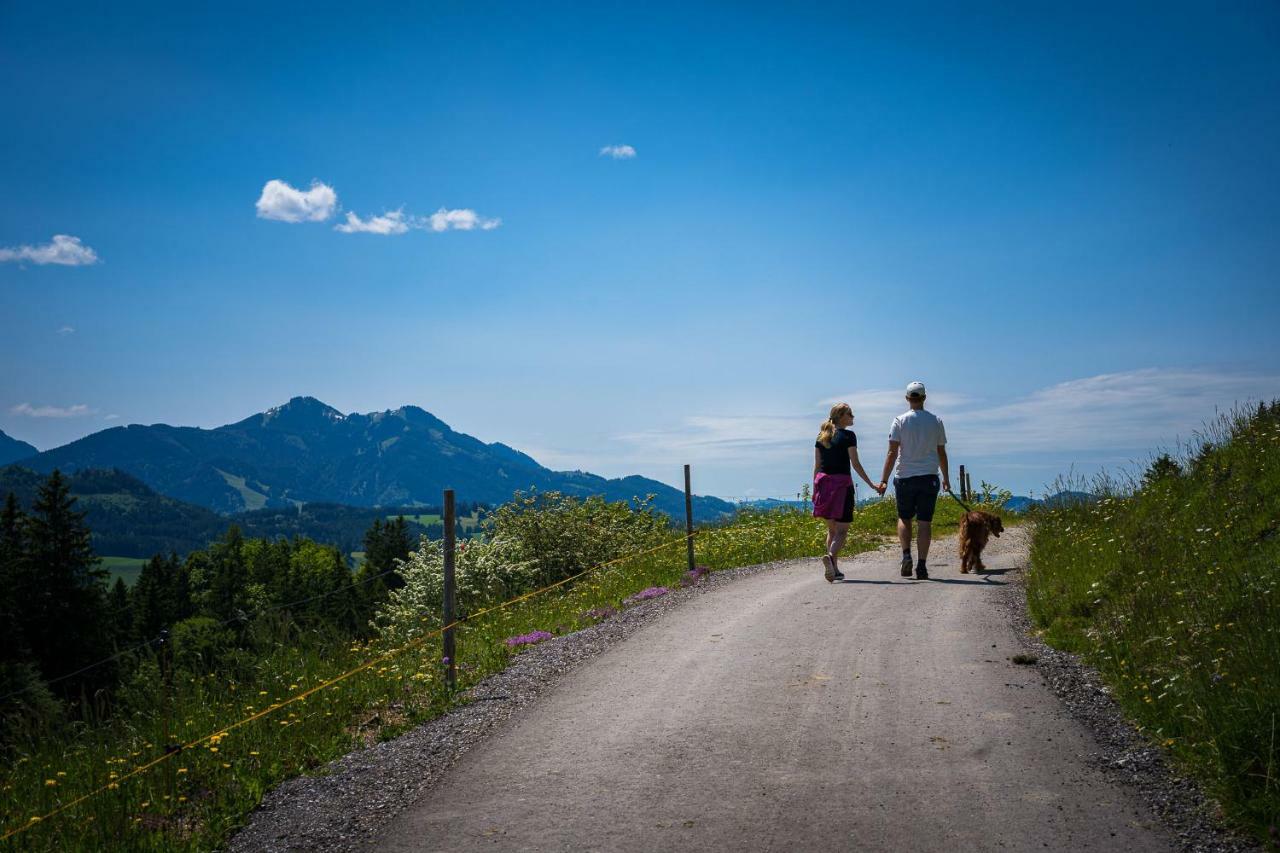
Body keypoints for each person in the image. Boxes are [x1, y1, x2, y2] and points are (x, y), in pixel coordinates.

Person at [877, 381, 950, 580]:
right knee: (925, 522)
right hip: (929, 477)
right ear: (924, 398)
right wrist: (946, 479)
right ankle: (923, 566)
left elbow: (892, 452)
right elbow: (941, 452)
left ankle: (906, 554)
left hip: (905, 477)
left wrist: (883, 480)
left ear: (908, 398)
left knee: (904, 517)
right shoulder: (936, 421)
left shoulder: (899, 421)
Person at [813, 402, 884, 582]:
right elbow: (856, 464)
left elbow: (816, 466)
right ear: (842, 416)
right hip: (842, 486)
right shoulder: (849, 436)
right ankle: (830, 558)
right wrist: (871, 484)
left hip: (823, 484)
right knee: (842, 531)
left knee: (832, 530)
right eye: (850, 414)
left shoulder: (821, 436)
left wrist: (815, 490)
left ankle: (834, 569)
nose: (853, 417)